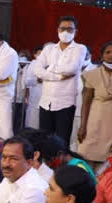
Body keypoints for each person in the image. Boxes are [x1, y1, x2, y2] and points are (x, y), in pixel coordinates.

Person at [25, 16, 87, 144]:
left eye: (70, 29)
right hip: (46, 101)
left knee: (61, 141)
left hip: (66, 102)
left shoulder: (80, 48)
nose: (65, 32)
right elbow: (37, 69)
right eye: (62, 28)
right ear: (57, 30)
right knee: (44, 140)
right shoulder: (49, 48)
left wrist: (49, 69)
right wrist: (58, 76)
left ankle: (60, 165)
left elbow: (72, 69)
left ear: (76, 31)